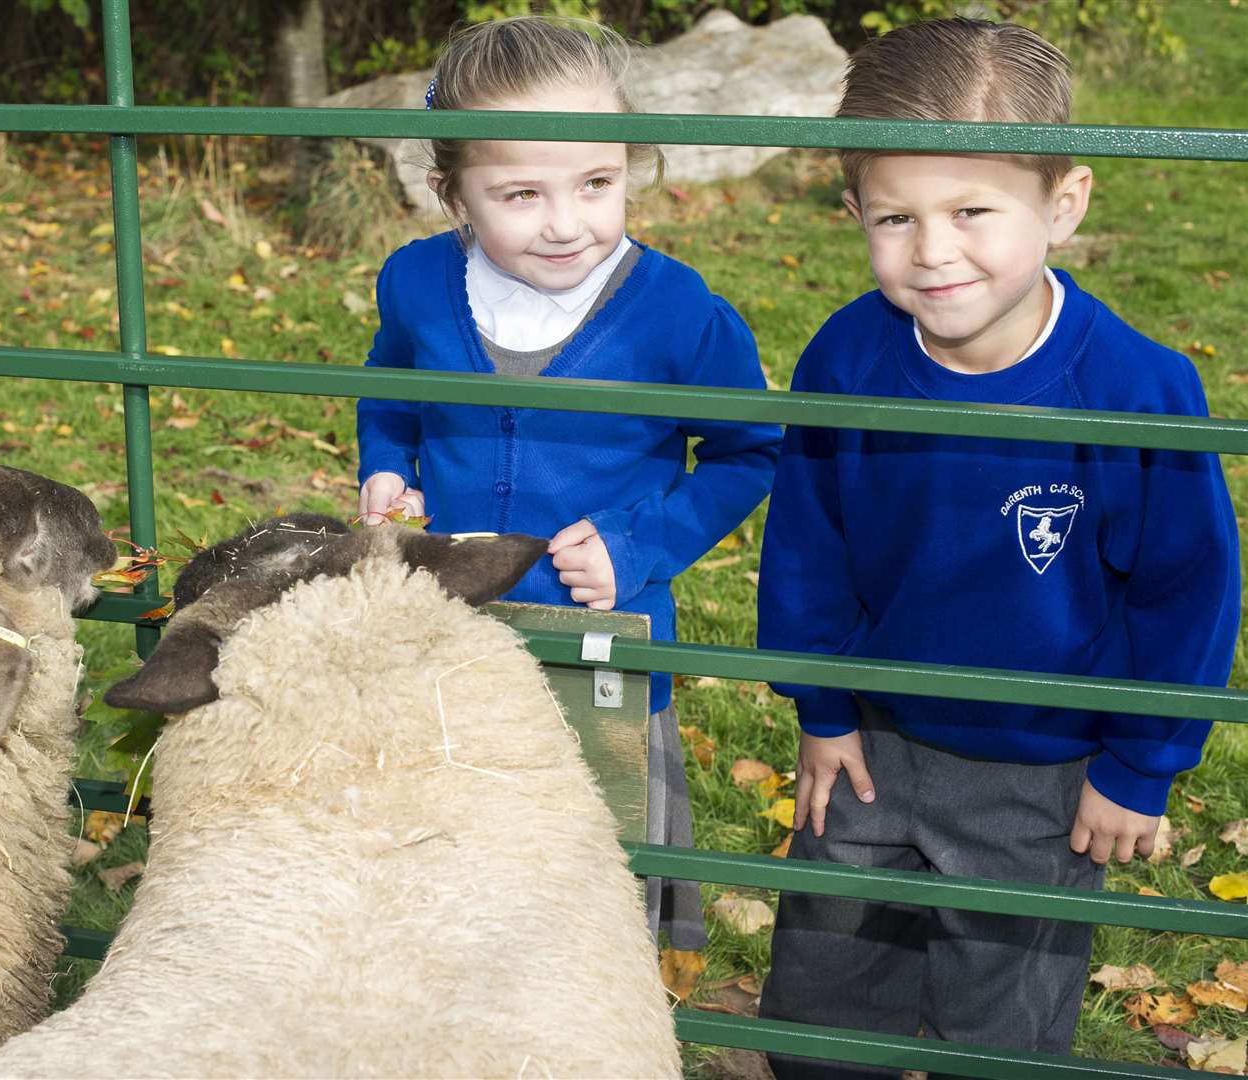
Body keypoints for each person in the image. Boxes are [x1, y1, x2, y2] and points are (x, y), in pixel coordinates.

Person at [755, 17, 1240, 1075]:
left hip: (1047, 773)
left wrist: (1142, 766)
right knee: (824, 989)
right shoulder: (847, 359)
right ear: (853, 212)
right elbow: (809, 541)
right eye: (895, 215)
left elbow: (1185, 592)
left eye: (972, 210)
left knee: (1001, 1016)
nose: (932, 250)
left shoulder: (1135, 393)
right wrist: (824, 706)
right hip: (873, 743)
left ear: (1061, 204)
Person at [355, 15, 781, 956]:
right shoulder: (417, 284)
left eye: (597, 182)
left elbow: (754, 449)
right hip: (452, 629)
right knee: (455, 846)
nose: (566, 222)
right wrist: (387, 462)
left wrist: (636, 546)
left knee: (596, 872)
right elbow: (389, 388)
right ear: (451, 194)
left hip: (601, 648)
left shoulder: (678, 312)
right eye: (519, 193)